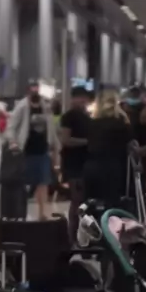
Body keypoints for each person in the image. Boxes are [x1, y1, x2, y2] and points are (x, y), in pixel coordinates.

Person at [7, 81, 59, 220]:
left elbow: (51, 128)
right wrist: (13, 141)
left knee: (43, 182)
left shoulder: (45, 107)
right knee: (24, 183)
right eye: (33, 89)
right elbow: (11, 126)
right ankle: (21, 212)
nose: (35, 92)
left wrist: (55, 146)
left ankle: (42, 213)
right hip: (25, 151)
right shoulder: (22, 106)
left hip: (42, 150)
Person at [82, 90, 132, 208]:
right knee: (111, 203)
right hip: (112, 167)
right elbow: (130, 143)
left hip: (91, 166)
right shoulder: (121, 123)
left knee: (91, 204)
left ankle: (92, 219)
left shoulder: (91, 123)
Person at [60, 86, 92, 243]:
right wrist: (87, 142)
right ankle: (71, 237)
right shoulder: (69, 117)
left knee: (84, 202)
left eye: (85, 98)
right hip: (73, 164)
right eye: (80, 98)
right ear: (73, 99)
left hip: (85, 163)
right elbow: (65, 140)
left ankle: (82, 236)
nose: (83, 101)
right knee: (77, 200)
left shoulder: (87, 117)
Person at [122, 84, 146, 194]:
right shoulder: (120, 109)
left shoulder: (145, 111)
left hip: (137, 155)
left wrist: (145, 149)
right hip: (124, 154)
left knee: (137, 187)